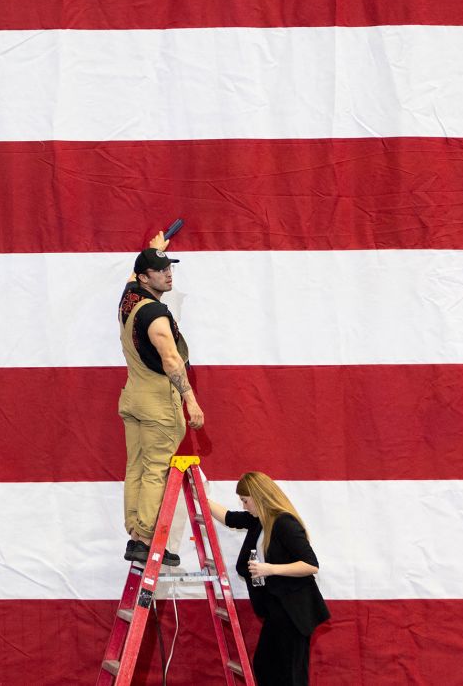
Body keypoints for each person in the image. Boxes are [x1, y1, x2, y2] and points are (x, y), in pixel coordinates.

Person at [117, 230, 204, 565]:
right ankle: (146, 537)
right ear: (144, 277)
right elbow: (171, 360)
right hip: (157, 400)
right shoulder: (155, 315)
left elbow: (130, 279)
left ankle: (135, 535)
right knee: (156, 469)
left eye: (169, 268)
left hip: (133, 396)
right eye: (160, 269)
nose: (168, 274)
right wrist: (191, 400)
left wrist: (153, 250)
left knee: (136, 466)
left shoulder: (129, 301)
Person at [208, 472, 330, 685]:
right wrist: (201, 498)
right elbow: (229, 518)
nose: (244, 506)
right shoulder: (259, 520)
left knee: (290, 673)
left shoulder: (284, 522)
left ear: (258, 496)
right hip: (277, 609)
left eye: (245, 501)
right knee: (266, 666)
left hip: (293, 611)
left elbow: (310, 565)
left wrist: (270, 569)